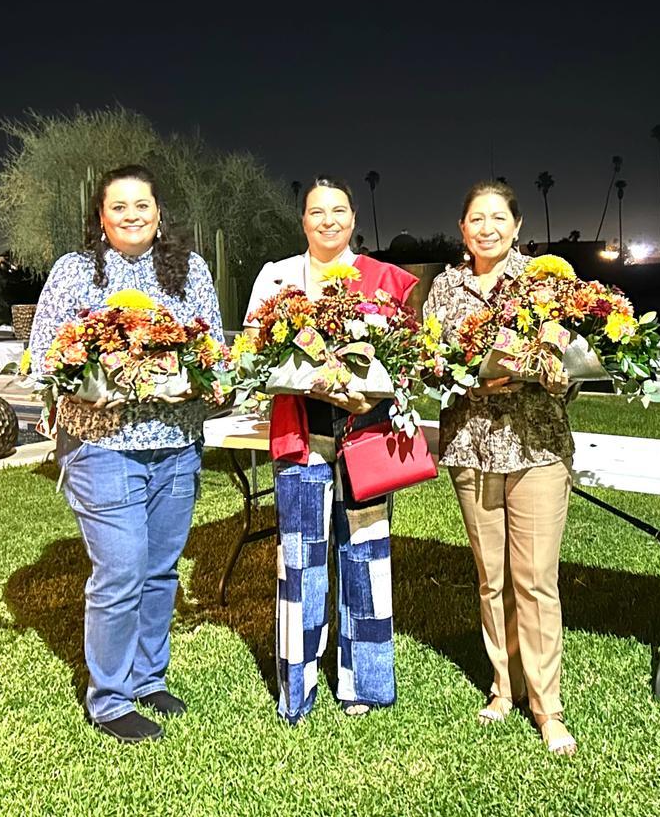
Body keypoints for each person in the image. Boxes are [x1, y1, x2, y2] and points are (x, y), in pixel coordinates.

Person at [29, 164, 224, 743]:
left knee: (160, 569)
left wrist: (193, 381)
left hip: (176, 446)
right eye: (119, 206)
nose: (132, 215)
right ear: (101, 216)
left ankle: (147, 677)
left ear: (160, 213)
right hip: (102, 446)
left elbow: (214, 352)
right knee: (121, 570)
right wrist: (90, 384)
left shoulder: (190, 269)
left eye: (143, 205)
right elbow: (44, 357)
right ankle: (110, 698)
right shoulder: (74, 271)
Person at [244, 175, 417, 725]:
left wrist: (370, 392)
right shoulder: (277, 279)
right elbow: (254, 354)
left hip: (366, 437)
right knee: (300, 560)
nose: (328, 220)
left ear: (353, 219)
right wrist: (317, 384)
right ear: (303, 220)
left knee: (365, 556)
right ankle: (297, 688)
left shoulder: (383, 280)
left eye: (338, 210)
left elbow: (409, 359)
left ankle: (364, 683)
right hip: (302, 437)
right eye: (317, 211)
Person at [423, 180, 578, 755]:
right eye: (476, 219)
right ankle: (503, 687)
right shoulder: (445, 288)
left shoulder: (545, 282)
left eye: (497, 218)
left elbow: (572, 365)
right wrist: (465, 379)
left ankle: (547, 705)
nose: (486, 228)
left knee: (534, 579)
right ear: (462, 229)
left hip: (536, 448)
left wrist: (551, 375)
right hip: (472, 447)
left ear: (516, 227)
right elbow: (431, 364)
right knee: (491, 577)